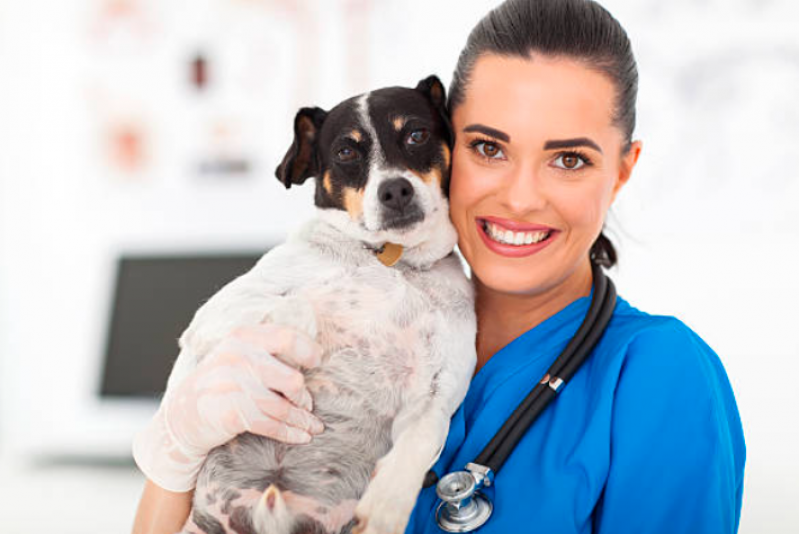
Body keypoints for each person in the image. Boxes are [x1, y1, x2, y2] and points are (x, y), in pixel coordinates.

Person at [131, 0, 746, 532]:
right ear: (447, 145)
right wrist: (173, 455)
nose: (522, 196)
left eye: (569, 160)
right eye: (489, 148)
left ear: (623, 170)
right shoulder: (345, 327)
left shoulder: (660, 375)